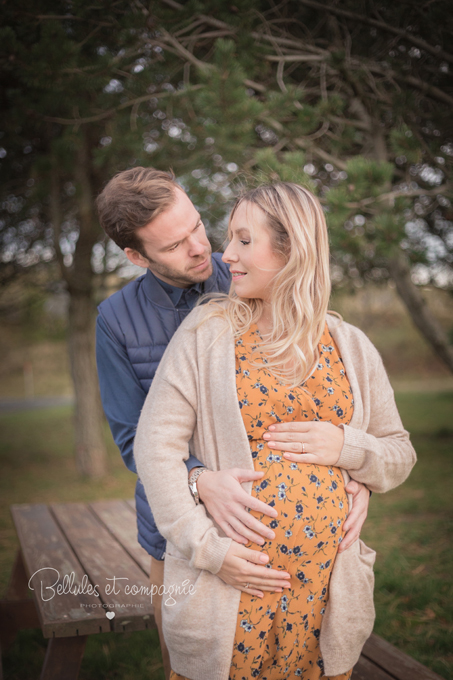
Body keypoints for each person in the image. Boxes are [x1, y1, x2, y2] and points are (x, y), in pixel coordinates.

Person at [134, 182, 417, 680]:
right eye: (229, 239)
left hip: (321, 595)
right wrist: (210, 549)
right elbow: (155, 448)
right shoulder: (208, 333)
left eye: (244, 240)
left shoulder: (349, 344)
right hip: (230, 593)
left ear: (291, 248)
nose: (226, 255)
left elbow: (399, 452)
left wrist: (347, 448)